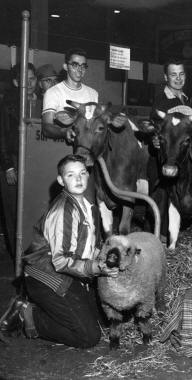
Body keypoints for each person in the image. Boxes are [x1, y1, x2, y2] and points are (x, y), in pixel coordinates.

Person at [0, 154, 118, 348]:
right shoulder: (64, 210)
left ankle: (51, 309)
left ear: (88, 175)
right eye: (71, 175)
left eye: (82, 173)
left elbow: (90, 248)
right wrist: (98, 267)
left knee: (101, 318)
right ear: (61, 180)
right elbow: (62, 261)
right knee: (89, 336)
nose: (78, 179)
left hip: (70, 275)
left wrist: (108, 259)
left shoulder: (90, 208)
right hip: (45, 275)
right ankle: (28, 315)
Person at [148, 59, 192, 241]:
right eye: (173, 74)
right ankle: (158, 236)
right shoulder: (160, 100)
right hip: (163, 156)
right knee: (161, 194)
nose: (178, 78)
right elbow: (154, 128)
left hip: (180, 157)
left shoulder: (187, 99)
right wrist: (155, 140)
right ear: (166, 77)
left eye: (181, 74)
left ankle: (173, 233)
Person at [0, 63, 40, 259]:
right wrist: (7, 165)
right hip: (11, 160)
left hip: (31, 160)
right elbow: (1, 136)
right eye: (25, 79)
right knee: (13, 210)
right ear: (16, 82)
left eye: (32, 78)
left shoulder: (39, 101)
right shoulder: (7, 103)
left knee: (30, 207)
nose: (30, 83)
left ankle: (30, 253)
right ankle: (16, 255)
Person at [41, 48, 98, 143]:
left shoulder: (93, 94)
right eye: (75, 65)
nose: (80, 70)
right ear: (65, 67)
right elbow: (46, 127)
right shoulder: (53, 92)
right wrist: (64, 132)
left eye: (83, 66)